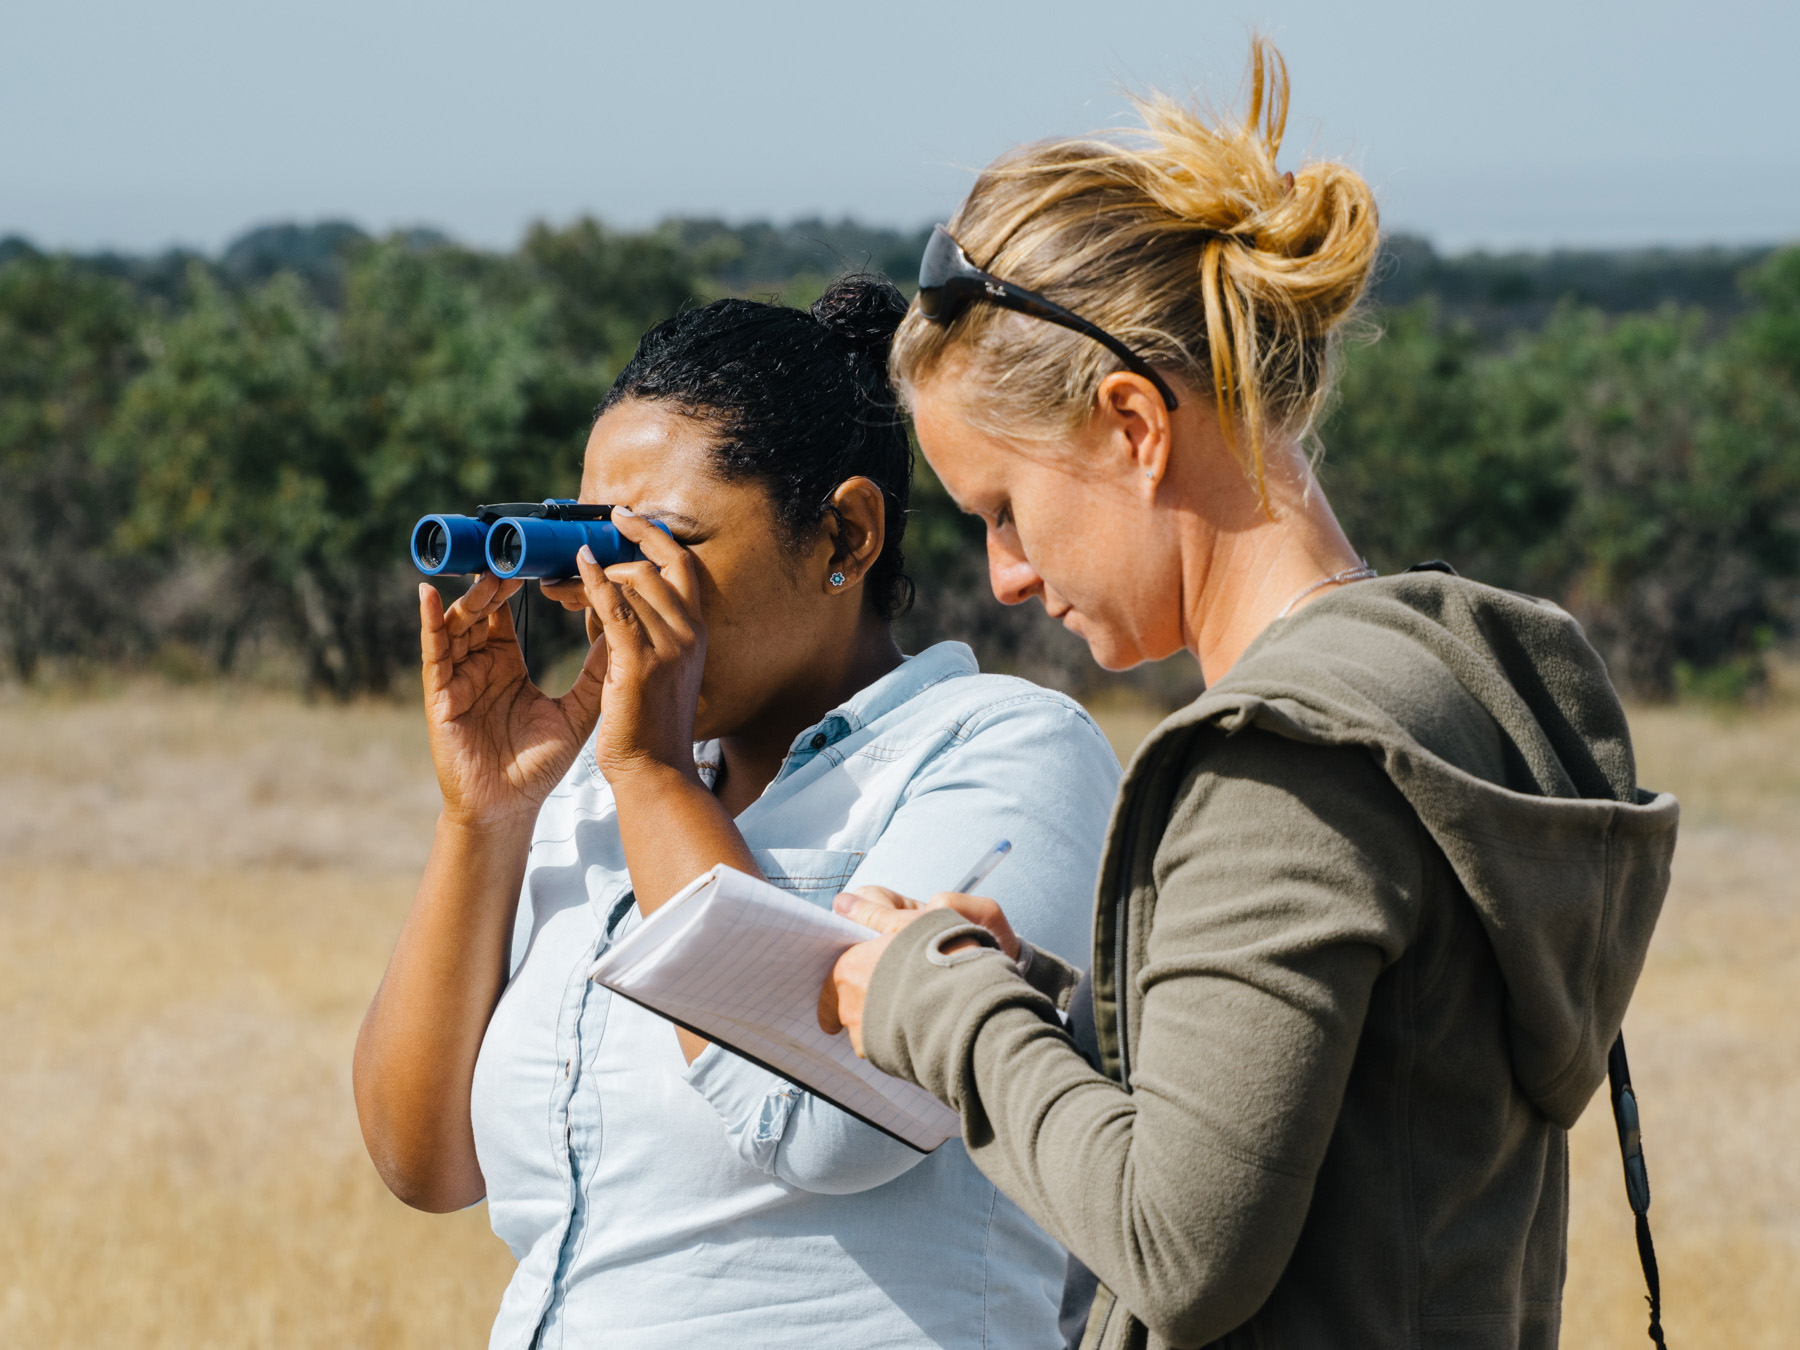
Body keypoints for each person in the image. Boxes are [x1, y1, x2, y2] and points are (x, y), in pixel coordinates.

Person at [819, 44, 1680, 1350]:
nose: (1002, 574)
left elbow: (1180, 1245)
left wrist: (930, 994)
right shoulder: (1442, 688)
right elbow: (1349, 1143)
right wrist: (1040, 1008)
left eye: (1006, 507)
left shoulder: (1283, 760)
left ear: (1131, 425)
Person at [352, 276, 1123, 1349]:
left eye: (662, 546)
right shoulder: (602, 784)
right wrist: (484, 820)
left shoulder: (998, 750)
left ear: (845, 538)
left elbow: (829, 1128)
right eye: (592, 545)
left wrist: (657, 778)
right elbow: (424, 1160)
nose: (609, 591)